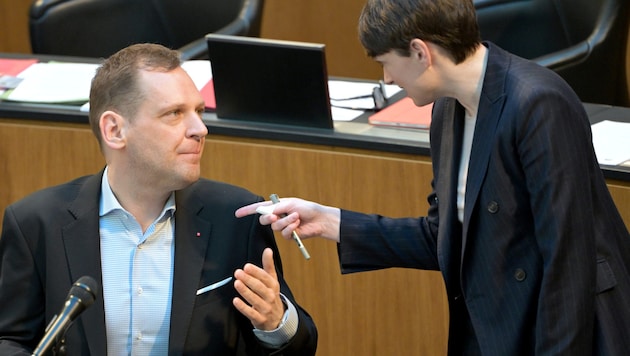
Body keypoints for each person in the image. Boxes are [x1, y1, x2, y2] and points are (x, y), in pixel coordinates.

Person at [236, 0, 630, 355]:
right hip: (493, 325)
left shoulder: (538, 104)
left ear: (421, 53)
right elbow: (444, 237)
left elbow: (568, 264)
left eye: (385, 63)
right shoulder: (446, 111)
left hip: (559, 332)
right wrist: (330, 221)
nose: (387, 79)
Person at [0, 43, 317, 355]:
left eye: (198, 111)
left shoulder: (235, 220)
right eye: (175, 113)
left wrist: (276, 322)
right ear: (115, 130)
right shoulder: (36, 223)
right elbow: (11, 339)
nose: (200, 129)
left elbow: (301, 345)